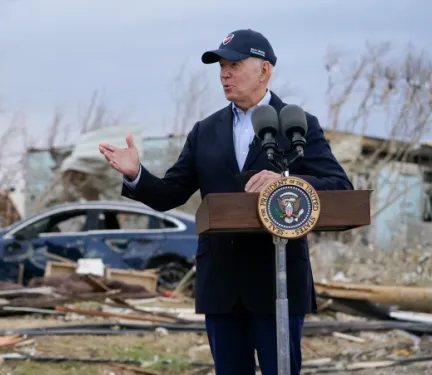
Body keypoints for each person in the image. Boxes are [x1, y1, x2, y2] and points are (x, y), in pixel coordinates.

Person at [98, 28, 354, 375]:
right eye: (220, 66)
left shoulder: (298, 125)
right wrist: (135, 174)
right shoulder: (205, 130)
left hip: (277, 279)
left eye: (234, 64)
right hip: (221, 281)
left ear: (264, 69)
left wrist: (286, 183)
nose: (224, 74)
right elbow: (169, 194)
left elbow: (339, 186)